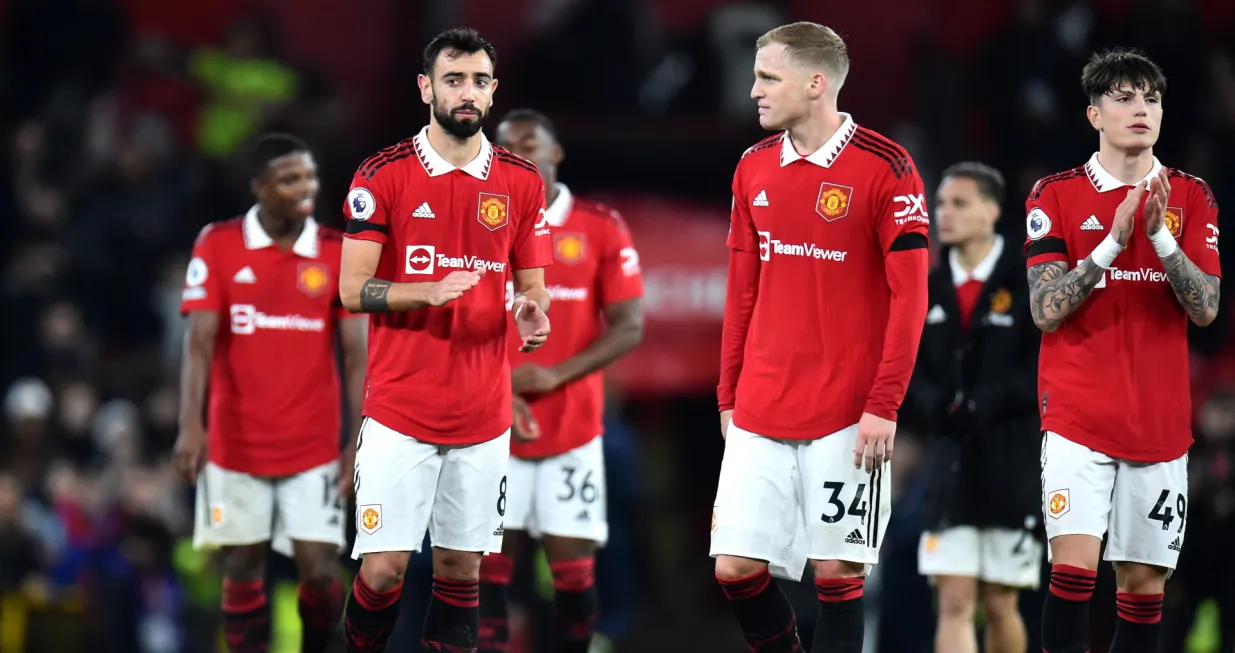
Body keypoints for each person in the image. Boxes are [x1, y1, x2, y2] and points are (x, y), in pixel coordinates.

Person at [712, 21, 931, 653]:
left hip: (847, 414)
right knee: (735, 569)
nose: (753, 89)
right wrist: (728, 395)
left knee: (838, 576)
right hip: (760, 406)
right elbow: (741, 291)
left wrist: (884, 405)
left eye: (767, 77)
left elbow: (910, 299)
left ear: (815, 84)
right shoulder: (752, 168)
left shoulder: (888, 167)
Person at [336, 27, 554, 653]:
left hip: (483, 414)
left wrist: (532, 314)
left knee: (463, 574)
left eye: (480, 81)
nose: (468, 93)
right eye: (454, 80)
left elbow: (531, 287)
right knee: (383, 573)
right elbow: (353, 290)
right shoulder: (383, 174)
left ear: (493, 91)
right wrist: (420, 292)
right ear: (425, 87)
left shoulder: (520, 181)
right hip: (400, 411)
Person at [1023, 48, 1221, 653]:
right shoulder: (1053, 195)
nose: (1141, 108)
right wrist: (1112, 243)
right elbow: (1043, 309)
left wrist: (1159, 234)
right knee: (1075, 573)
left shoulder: (1192, 196)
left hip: (1160, 424)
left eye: (1151, 98)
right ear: (1093, 115)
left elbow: (1206, 307)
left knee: (1143, 588)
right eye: (1125, 97)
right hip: (1078, 416)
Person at [174, 132, 366, 653]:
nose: (305, 188)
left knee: (321, 576)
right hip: (235, 446)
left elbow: (357, 354)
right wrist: (190, 423)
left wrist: (359, 438)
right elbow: (198, 344)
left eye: (308, 176)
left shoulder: (335, 250)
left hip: (314, 447)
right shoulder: (217, 244)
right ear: (259, 187)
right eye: (289, 179)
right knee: (240, 567)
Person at [476, 108, 646, 653]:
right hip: (491, 432)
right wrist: (499, 384)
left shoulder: (600, 226)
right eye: (506, 148)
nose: (518, 156)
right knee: (488, 580)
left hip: (571, 434)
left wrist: (553, 375)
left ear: (556, 153)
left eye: (530, 145)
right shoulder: (479, 226)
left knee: (573, 580)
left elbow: (629, 326)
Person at [907, 162, 1043, 653]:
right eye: (940, 203)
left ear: (992, 210)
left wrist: (987, 401)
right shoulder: (926, 287)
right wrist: (934, 405)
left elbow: (1042, 368)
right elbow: (911, 370)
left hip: (1012, 463)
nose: (944, 213)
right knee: (954, 600)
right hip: (949, 466)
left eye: (959, 203)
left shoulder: (1027, 281)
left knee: (1001, 601)